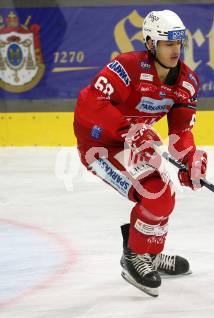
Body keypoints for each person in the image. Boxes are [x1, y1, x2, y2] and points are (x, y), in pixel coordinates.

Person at [73, 9, 207, 297]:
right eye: (167, 43)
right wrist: (128, 130)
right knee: (154, 194)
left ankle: (150, 253)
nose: (175, 50)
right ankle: (134, 256)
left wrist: (189, 159)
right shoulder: (125, 68)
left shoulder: (187, 83)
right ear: (150, 44)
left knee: (164, 197)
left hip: (135, 143)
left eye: (178, 43)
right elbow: (89, 104)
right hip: (100, 147)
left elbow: (180, 133)